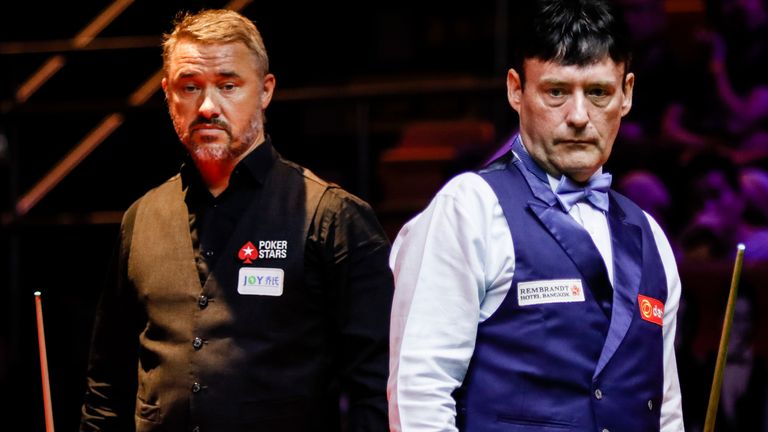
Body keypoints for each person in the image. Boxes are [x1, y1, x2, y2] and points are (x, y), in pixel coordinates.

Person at [80, 9, 393, 432]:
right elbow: (107, 386)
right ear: (168, 93)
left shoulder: (333, 216)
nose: (208, 106)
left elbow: (375, 389)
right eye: (190, 87)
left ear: (265, 91)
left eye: (228, 86)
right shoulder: (142, 217)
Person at [388, 1, 684, 431]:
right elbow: (419, 394)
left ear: (627, 94)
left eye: (598, 92)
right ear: (515, 90)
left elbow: (665, 408)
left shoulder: (648, 234)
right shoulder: (469, 209)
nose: (579, 117)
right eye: (556, 91)